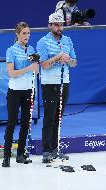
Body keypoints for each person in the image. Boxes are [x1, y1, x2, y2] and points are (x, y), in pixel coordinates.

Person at [36, 13, 77, 163]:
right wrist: (57, 57)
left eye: (61, 25)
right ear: (50, 25)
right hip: (50, 84)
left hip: (64, 82)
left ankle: (55, 148)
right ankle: (46, 150)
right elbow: (45, 65)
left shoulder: (68, 40)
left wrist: (69, 60)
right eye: (56, 25)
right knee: (49, 118)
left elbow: (74, 63)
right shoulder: (43, 42)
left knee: (59, 117)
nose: (59, 27)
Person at [2, 22, 39, 167]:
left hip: (29, 90)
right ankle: (6, 157)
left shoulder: (32, 49)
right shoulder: (11, 50)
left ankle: (20, 155)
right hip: (15, 91)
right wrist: (29, 67)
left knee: (25, 124)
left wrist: (36, 67)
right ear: (17, 34)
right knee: (11, 123)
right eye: (24, 33)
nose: (27, 36)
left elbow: (35, 71)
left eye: (28, 33)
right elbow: (11, 73)